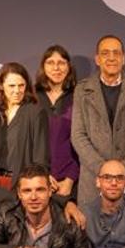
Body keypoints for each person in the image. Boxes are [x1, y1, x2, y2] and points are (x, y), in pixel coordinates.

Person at [71, 34, 125, 207]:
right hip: (94, 181)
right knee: (94, 232)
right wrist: (105, 172)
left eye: (116, 53)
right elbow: (78, 136)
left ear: (123, 58)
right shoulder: (82, 90)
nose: (111, 58)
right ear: (97, 59)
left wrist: (123, 171)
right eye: (105, 53)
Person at [35, 44, 81, 203]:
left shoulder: (80, 96)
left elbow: (83, 142)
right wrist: (41, 175)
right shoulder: (32, 97)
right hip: (36, 179)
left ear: (69, 67)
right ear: (43, 66)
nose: (56, 68)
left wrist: (70, 179)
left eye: (61, 62)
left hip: (70, 181)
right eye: (50, 62)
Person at [0, 62, 49, 187]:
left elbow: (41, 156)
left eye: (21, 85)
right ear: (1, 86)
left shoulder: (35, 112)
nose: (17, 91)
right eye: (12, 86)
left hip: (22, 183)